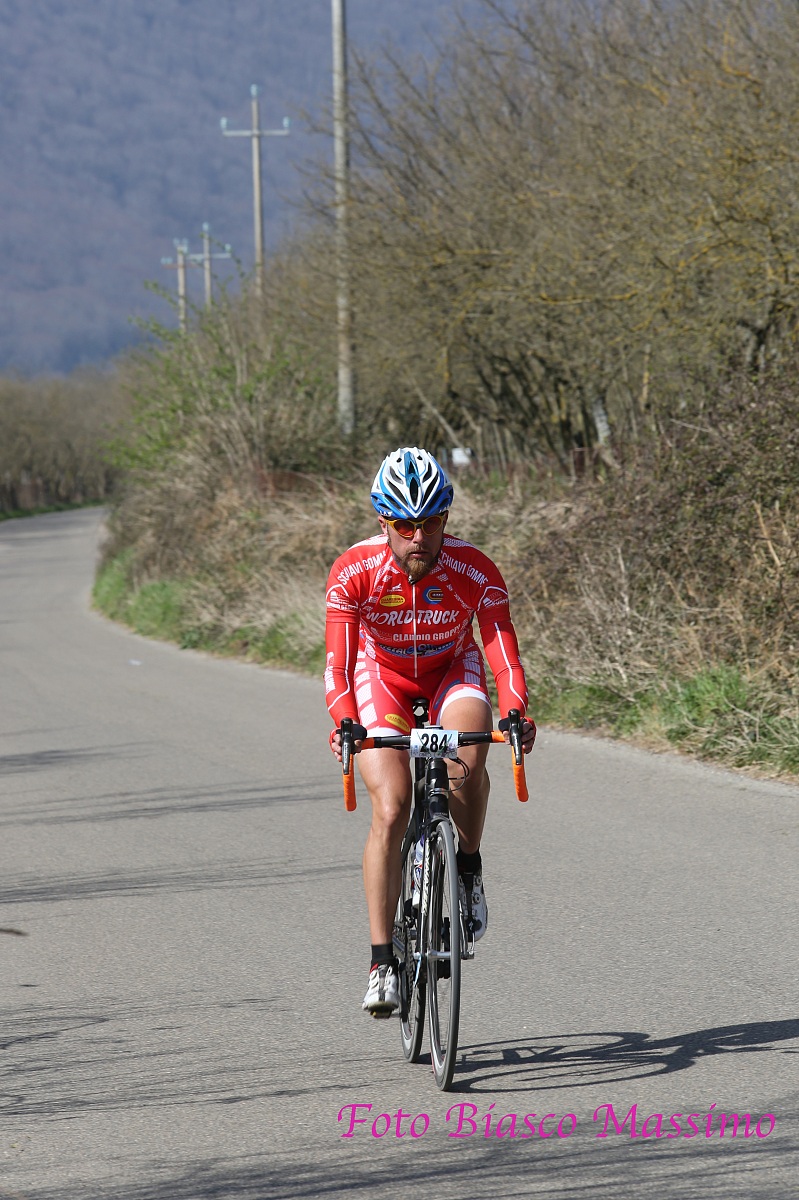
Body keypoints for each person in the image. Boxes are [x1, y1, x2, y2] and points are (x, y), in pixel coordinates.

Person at [325, 447, 536, 1015]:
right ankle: (380, 960)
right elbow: (339, 667)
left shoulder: (475, 570)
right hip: (381, 679)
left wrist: (517, 709)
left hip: (451, 672)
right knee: (391, 807)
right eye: (405, 525)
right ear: (383, 523)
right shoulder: (353, 571)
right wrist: (345, 720)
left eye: (431, 522)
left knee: (469, 757)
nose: (419, 536)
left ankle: (467, 871)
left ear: (447, 519)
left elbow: (502, 655)